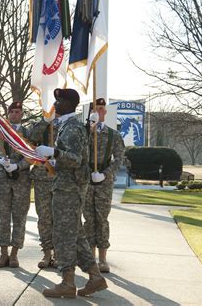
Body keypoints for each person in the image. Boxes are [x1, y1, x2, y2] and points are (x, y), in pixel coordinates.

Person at [35, 88, 107, 298]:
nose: (55, 104)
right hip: (66, 186)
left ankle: (67, 282)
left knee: (64, 235)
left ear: (68, 104)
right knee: (76, 236)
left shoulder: (72, 127)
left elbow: (76, 159)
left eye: (59, 100)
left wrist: (53, 152)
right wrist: (53, 161)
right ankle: (95, 277)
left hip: (69, 190)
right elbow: (73, 159)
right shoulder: (67, 125)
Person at [83, 98, 125, 273]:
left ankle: (102, 258)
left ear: (105, 112)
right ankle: (90, 258)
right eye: (95, 109)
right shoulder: (83, 133)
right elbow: (77, 154)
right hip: (86, 180)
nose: (99, 112)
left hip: (104, 182)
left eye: (101, 109)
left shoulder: (113, 135)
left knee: (102, 219)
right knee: (88, 219)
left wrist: (105, 173)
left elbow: (119, 158)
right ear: (90, 112)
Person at [0, 101, 31, 269]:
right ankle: (3, 253)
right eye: (12, 112)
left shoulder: (27, 132)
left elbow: (31, 154)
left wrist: (18, 165)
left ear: (22, 114)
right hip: (3, 178)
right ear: (8, 114)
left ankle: (14, 254)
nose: (15, 114)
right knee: (3, 217)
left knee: (20, 217)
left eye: (18, 112)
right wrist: (1, 160)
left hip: (21, 178)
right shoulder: (1, 132)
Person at [28, 117, 58, 268]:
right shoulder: (40, 125)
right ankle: (47, 253)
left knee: (60, 219)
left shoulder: (69, 124)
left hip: (61, 177)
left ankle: (59, 254)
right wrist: (45, 121)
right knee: (44, 218)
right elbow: (31, 138)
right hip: (42, 177)